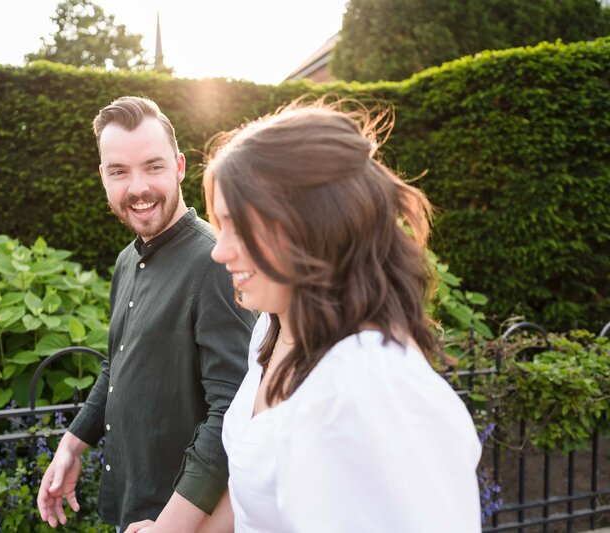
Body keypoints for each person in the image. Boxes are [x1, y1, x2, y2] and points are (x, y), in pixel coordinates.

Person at [198, 101, 481, 532]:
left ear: (313, 225)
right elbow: (250, 494)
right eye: (220, 225)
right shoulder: (271, 332)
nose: (219, 250)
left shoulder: (372, 391)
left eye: (239, 225)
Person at [36, 96, 256, 532]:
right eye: (119, 171)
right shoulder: (125, 261)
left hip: (184, 520)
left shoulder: (214, 263)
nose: (137, 188)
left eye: (153, 167)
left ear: (178, 167)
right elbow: (116, 365)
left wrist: (172, 526)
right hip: (132, 512)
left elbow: (231, 413)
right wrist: (73, 443)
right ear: (103, 177)